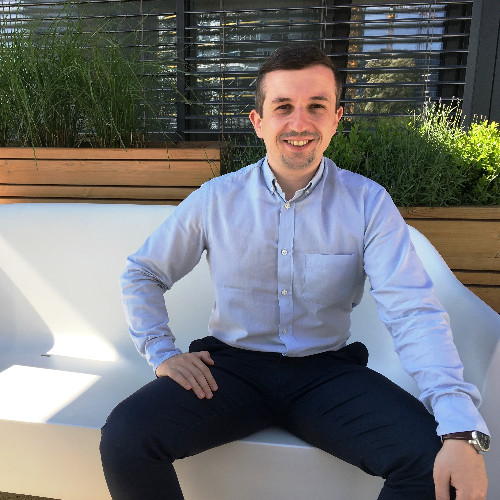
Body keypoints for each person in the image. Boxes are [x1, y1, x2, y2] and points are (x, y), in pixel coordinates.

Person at [100, 44, 490, 500]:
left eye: (316, 106)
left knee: (431, 460)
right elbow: (143, 272)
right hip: (230, 371)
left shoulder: (368, 203)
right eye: (283, 106)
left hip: (326, 374)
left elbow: (412, 311)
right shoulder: (215, 199)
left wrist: (459, 428)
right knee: (126, 438)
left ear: (336, 118)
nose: (300, 123)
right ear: (258, 121)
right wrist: (161, 352)